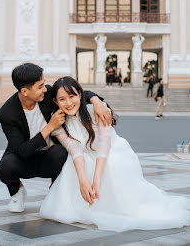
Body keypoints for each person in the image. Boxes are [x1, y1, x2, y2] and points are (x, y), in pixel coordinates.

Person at [40, 76, 190, 232]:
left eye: (72, 96)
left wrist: (96, 180)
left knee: (111, 165)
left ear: (80, 94)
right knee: (74, 165)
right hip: (84, 154)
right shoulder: (57, 122)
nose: (69, 103)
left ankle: (115, 204)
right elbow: (73, 149)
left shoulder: (97, 109)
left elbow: (105, 143)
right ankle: (88, 202)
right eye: (62, 99)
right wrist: (83, 180)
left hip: (111, 150)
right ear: (56, 102)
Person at [0, 63, 112, 213]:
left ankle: (54, 189)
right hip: (24, 158)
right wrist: (50, 127)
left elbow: (74, 93)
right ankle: (17, 192)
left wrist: (96, 101)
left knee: (60, 152)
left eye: (44, 84)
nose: (45, 89)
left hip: (50, 156)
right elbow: (22, 151)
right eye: (40, 86)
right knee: (4, 167)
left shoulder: (46, 94)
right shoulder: (7, 113)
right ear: (25, 91)